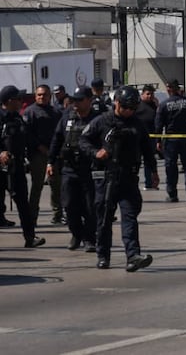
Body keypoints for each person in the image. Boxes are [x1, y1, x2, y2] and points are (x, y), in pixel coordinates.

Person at [81, 85, 158, 271]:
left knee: (130, 217)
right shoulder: (101, 121)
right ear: (116, 103)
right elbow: (83, 141)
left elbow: (148, 149)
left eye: (132, 108)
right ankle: (103, 255)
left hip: (128, 178)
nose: (129, 111)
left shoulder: (137, 124)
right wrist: (95, 152)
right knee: (104, 218)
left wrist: (153, 171)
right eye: (126, 107)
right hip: (106, 178)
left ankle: (133, 256)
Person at [47, 86, 99, 252]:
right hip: (69, 169)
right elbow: (57, 139)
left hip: (90, 169)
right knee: (69, 205)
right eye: (74, 100)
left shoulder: (98, 120)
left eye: (80, 100)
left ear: (89, 100)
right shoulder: (67, 117)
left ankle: (90, 239)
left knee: (91, 207)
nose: (75, 103)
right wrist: (50, 161)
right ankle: (76, 234)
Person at [0, 85, 46, 248]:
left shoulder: (18, 118)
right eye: (19, 99)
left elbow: (27, 137)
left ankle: (30, 237)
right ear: (10, 100)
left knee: (23, 204)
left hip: (16, 167)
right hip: (1, 168)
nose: (21, 101)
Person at [23, 84, 63, 224]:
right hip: (37, 155)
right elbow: (27, 134)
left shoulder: (56, 112)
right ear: (35, 96)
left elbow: (60, 133)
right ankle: (32, 218)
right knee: (37, 186)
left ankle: (58, 214)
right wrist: (40, 147)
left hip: (54, 154)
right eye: (39, 95)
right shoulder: (30, 112)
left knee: (56, 184)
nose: (42, 97)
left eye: (45, 94)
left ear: (49, 96)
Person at [154, 79, 186, 203]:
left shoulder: (163, 105)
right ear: (178, 88)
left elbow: (158, 124)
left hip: (171, 139)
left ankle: (172, 194)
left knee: (171, 166)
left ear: (169, 89)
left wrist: (158, 140)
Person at [136, 84, 160, 191]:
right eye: (148, 94)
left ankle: (149, 183)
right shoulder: (137, 105)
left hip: (151, 138)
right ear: (142, 94)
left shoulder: (154, 106)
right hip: (138, 138)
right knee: (136, 161)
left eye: (152, 94)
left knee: (149, 161)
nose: (150, 96)